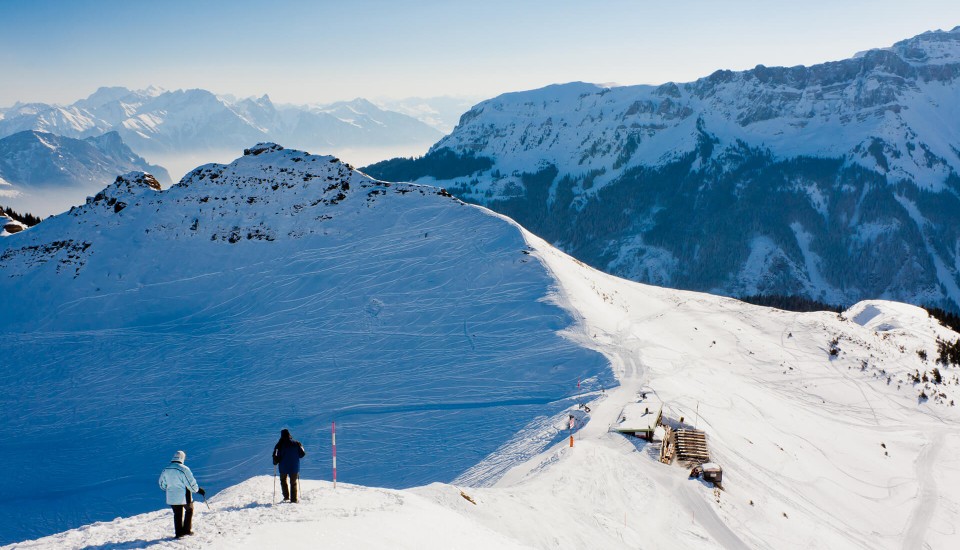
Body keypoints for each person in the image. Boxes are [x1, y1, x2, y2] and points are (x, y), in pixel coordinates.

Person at [158, 450, 205, 538]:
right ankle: (187, 531)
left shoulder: (166, 469)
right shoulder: (184, 469)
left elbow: (161, 483)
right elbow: (190, 483)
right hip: (184, 496)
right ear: (182, 458)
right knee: (189, 510)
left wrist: (168, 489)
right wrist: (197, 490)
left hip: (171, 497)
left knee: (177, 514)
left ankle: (179, 534)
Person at [272, 429, 306, 503]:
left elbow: (275, 456)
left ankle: (286, 497)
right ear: (289, 435)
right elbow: (302, 454)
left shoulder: (279, 445)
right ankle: (294, 500)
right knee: (293, 482)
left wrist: (275, 462)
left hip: (283, 468)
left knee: (283, 481)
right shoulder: (296, 443)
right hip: (294, 467)